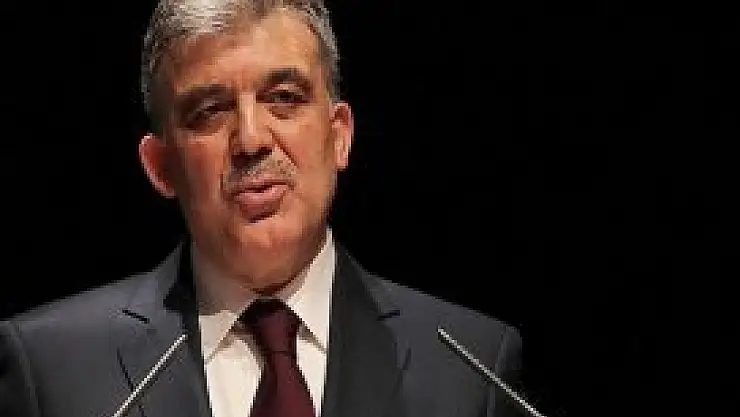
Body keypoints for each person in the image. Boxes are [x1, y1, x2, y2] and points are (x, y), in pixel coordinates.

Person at [0, 1, 524, 416]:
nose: (251, 140)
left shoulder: (470, 368)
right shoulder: (53, 370)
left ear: (340, 137)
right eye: (211, 110)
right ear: (160, 166)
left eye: (285, 98)